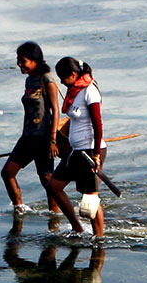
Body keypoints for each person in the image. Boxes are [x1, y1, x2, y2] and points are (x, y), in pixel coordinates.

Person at [43, 56, 105, 237]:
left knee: (90, 201)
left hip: (91, 151)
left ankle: (99, 239)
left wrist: (96, 155)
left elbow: (97, 124)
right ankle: (77, 228)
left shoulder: (89, 91)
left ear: (73, 74)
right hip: (76, 151)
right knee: (53, 186)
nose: (61, 82)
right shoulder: (74, 92)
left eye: (63, 78)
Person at [0, 41, 59, 214]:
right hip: (27, 138)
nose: (19, 64)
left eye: (23, 60)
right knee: (7, 173)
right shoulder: (29, 81)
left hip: (44, 138)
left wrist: (53, 140)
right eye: (18, 60)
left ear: (35, 60)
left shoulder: (47, 79)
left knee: (47, 178)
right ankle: (19, 209)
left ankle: (55, 215)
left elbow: (55, 111)